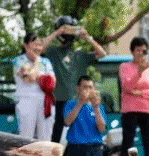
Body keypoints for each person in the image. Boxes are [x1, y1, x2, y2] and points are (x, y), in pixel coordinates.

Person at [40, 16, 107, 144]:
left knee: (77, 134)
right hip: (58, 100)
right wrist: (58, 32)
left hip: (78, 100)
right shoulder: (53, 52)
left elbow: (102, 53)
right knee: (56, 136)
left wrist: (87, 37)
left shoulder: (80, 55)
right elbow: (40, 48)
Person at [119, 36, 149, 156]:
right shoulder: (125, 67)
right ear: (132, 51)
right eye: (138, 50)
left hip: (147, 110)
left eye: (144, 51)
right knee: (128, 143)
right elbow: (127, 86)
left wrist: (140, 93)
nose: (141, 54)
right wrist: (139, 72)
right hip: (130, 110)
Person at [13, 32, 56, 146]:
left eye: (39, 45)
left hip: (45, 102)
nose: (38, 48)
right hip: (26, 101)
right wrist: (37, 62)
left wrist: (34, 74)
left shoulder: (46, 62)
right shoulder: (19, 61)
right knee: (26, 137)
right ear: (26, 45)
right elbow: (30, 78)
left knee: (45, 138)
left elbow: (52, 82)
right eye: (35, 44)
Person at [63, 75, 107, 156]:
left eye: (90, 87)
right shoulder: (71, 103)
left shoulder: (99, 106)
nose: (88, 90)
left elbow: (102, 128)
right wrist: (80, 103)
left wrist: (96, 107)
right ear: (78, 88)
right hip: (75, 146)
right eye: (85, 87)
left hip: (94, 147)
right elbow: (67, 122)